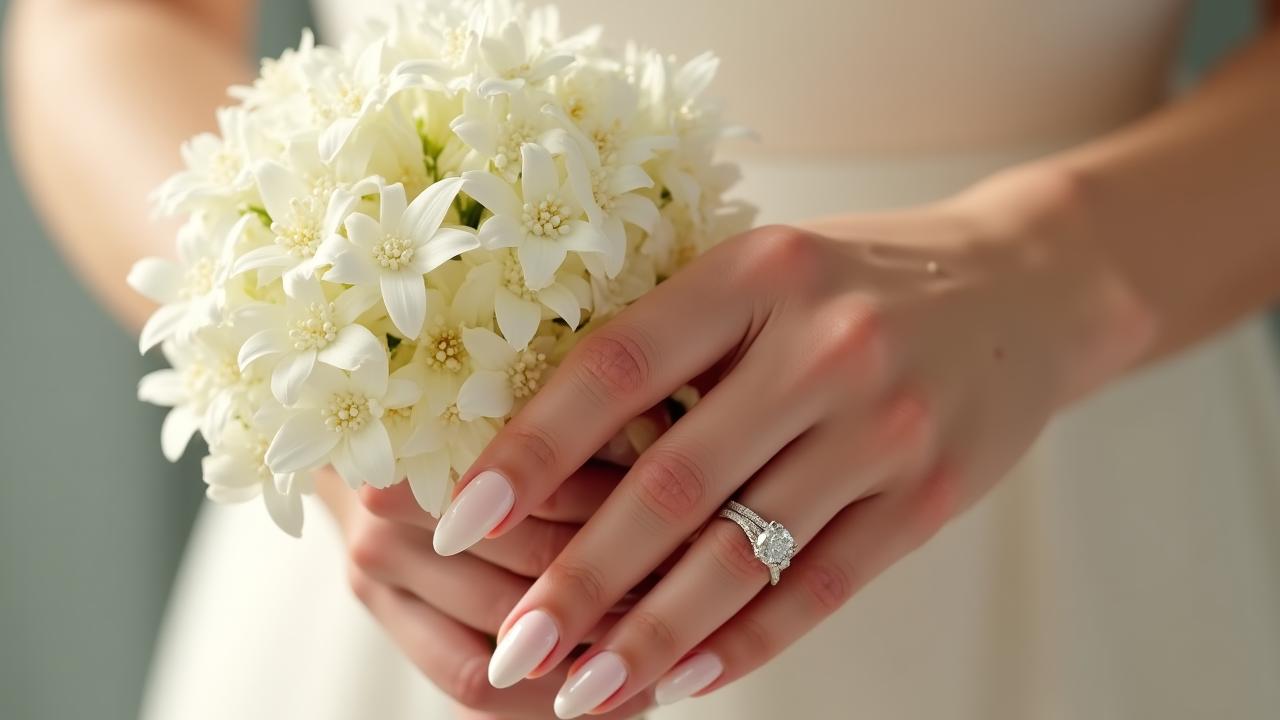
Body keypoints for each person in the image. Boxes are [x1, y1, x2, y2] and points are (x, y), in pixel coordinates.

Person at [8, 0, 1280, 718]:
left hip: (1072, 458)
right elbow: (102, 21)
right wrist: (332, 390)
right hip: (424, 519)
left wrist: (1049, 271)